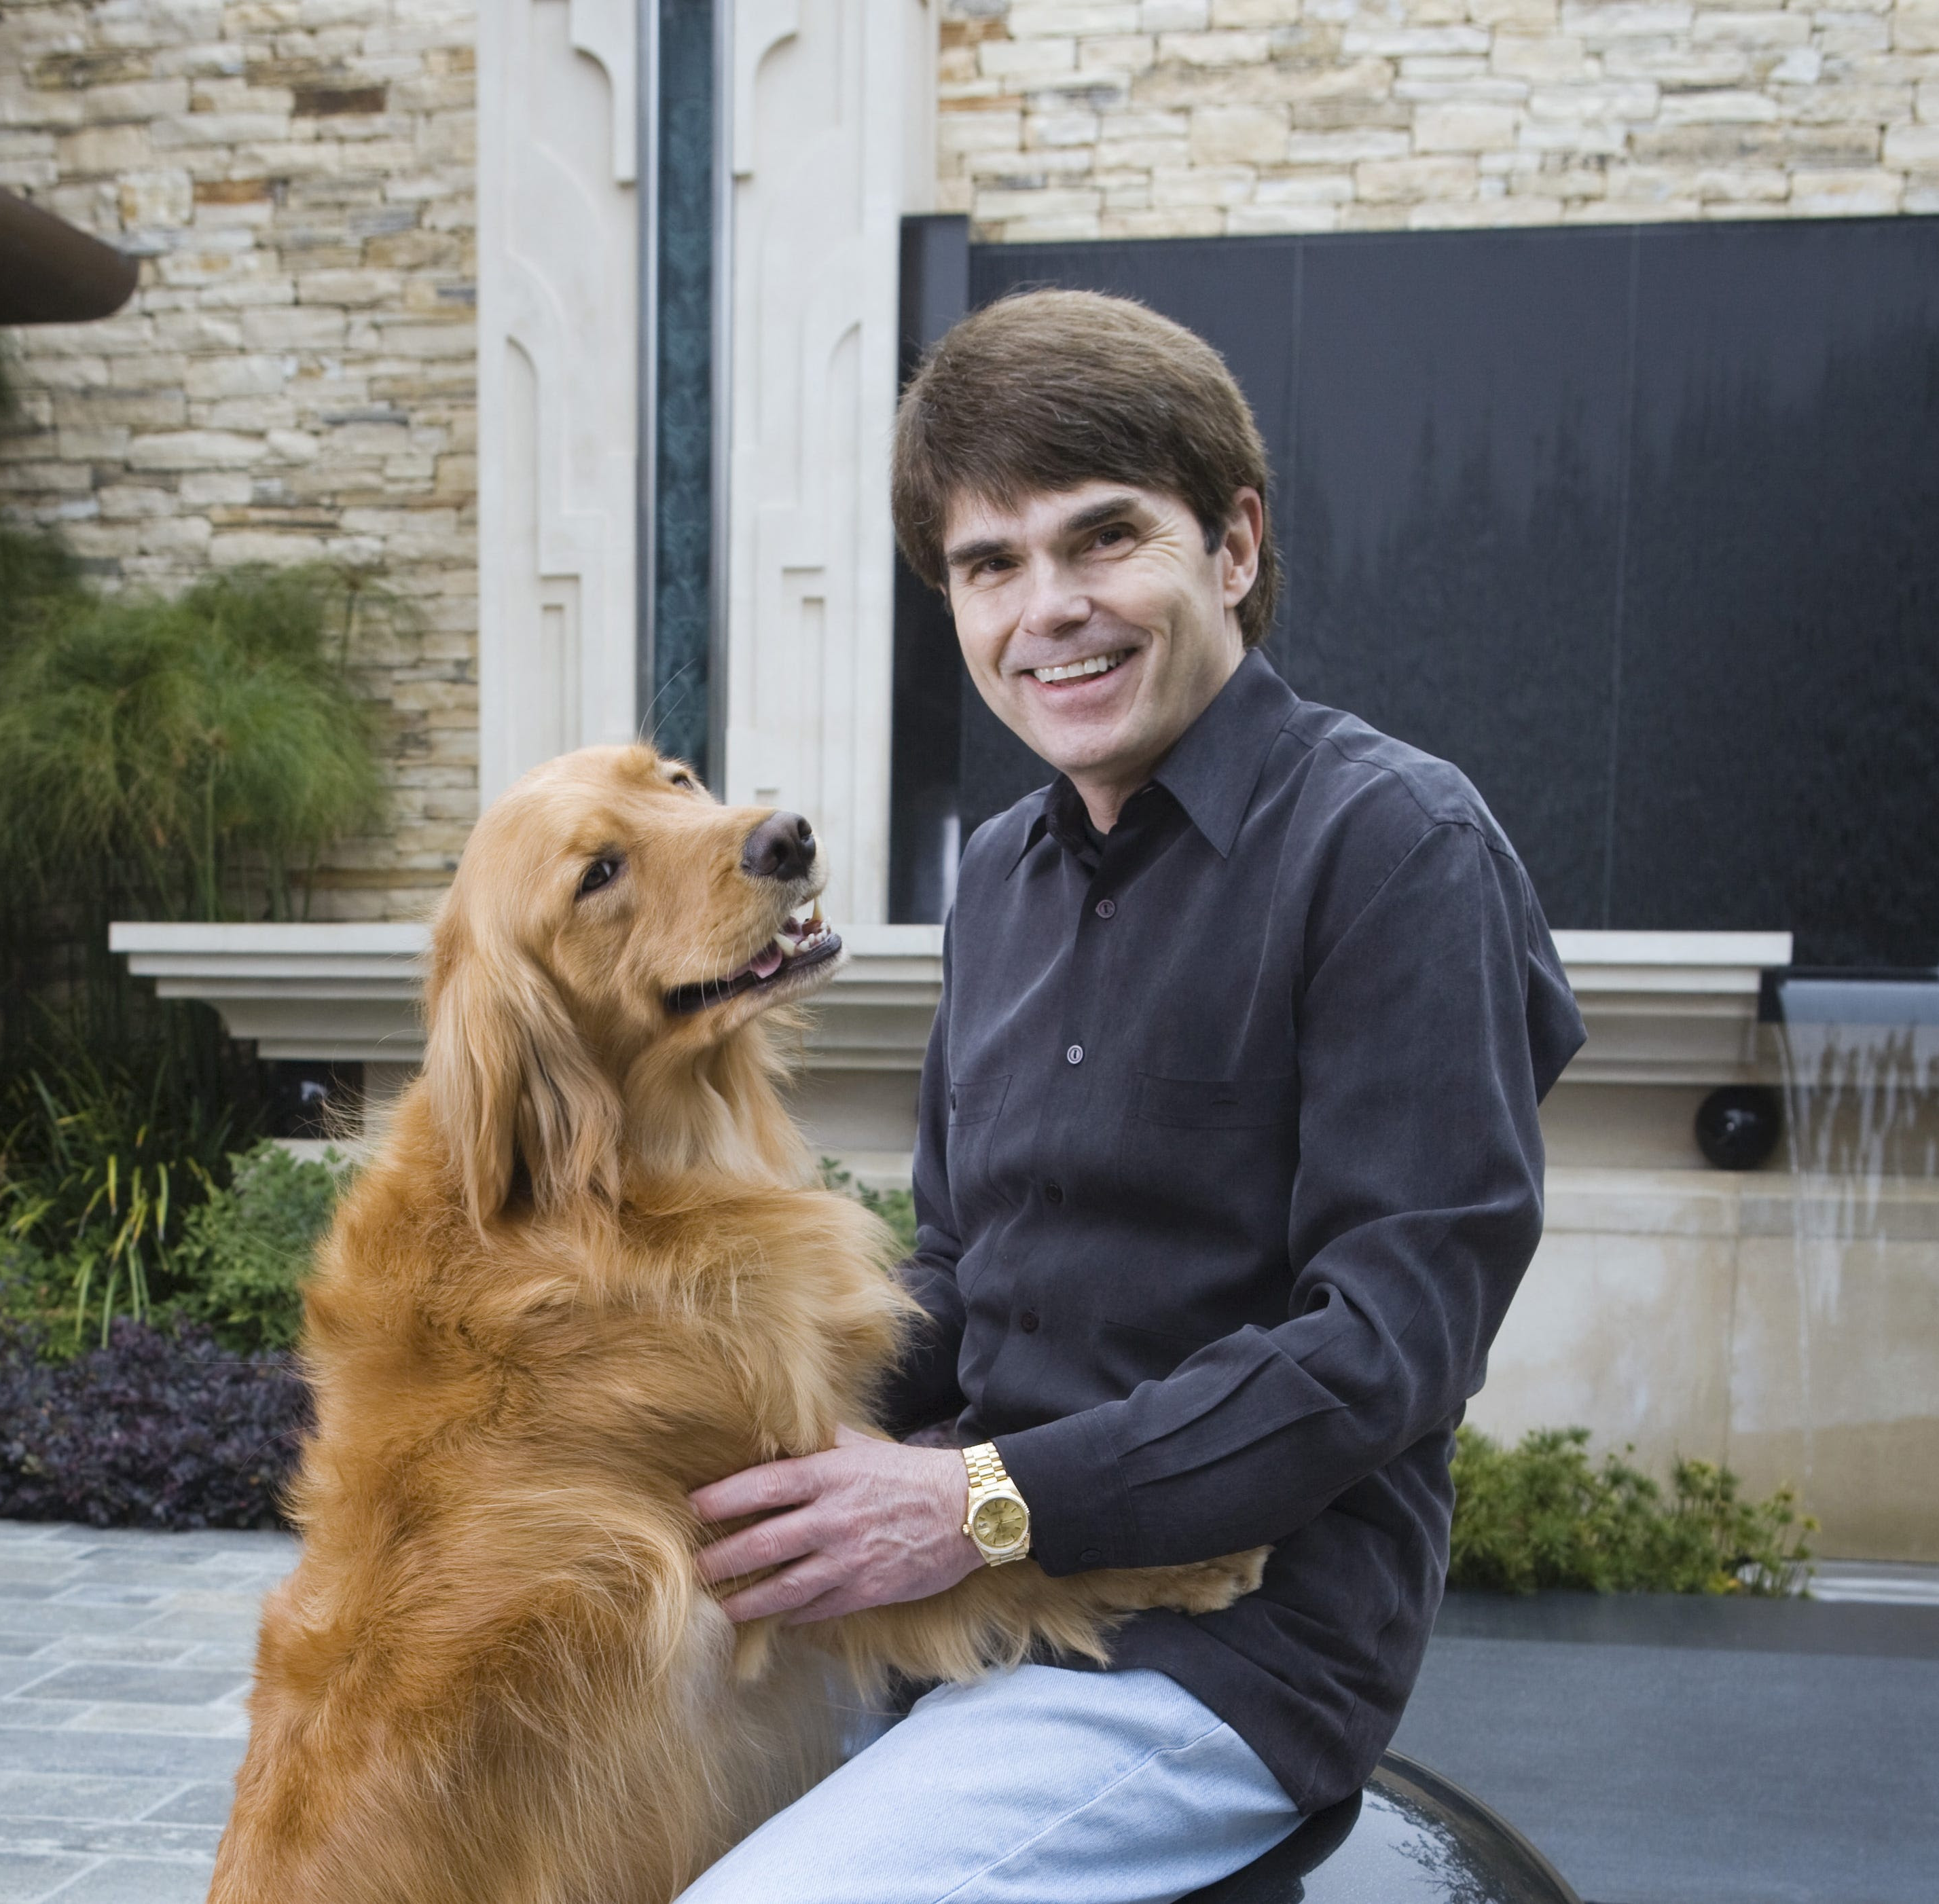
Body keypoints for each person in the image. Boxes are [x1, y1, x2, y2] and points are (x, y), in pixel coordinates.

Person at [676, 289, 1587, 1904]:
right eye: (988, 564)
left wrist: (975, 1504)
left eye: (1102, 540)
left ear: (1230, 544)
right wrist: (692, 1440)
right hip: (962, 1603)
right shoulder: (1001, 877)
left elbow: (1384, 1347)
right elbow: (959, 1277)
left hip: (1219, 1654)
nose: (1049, 611)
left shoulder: (1397, 850)